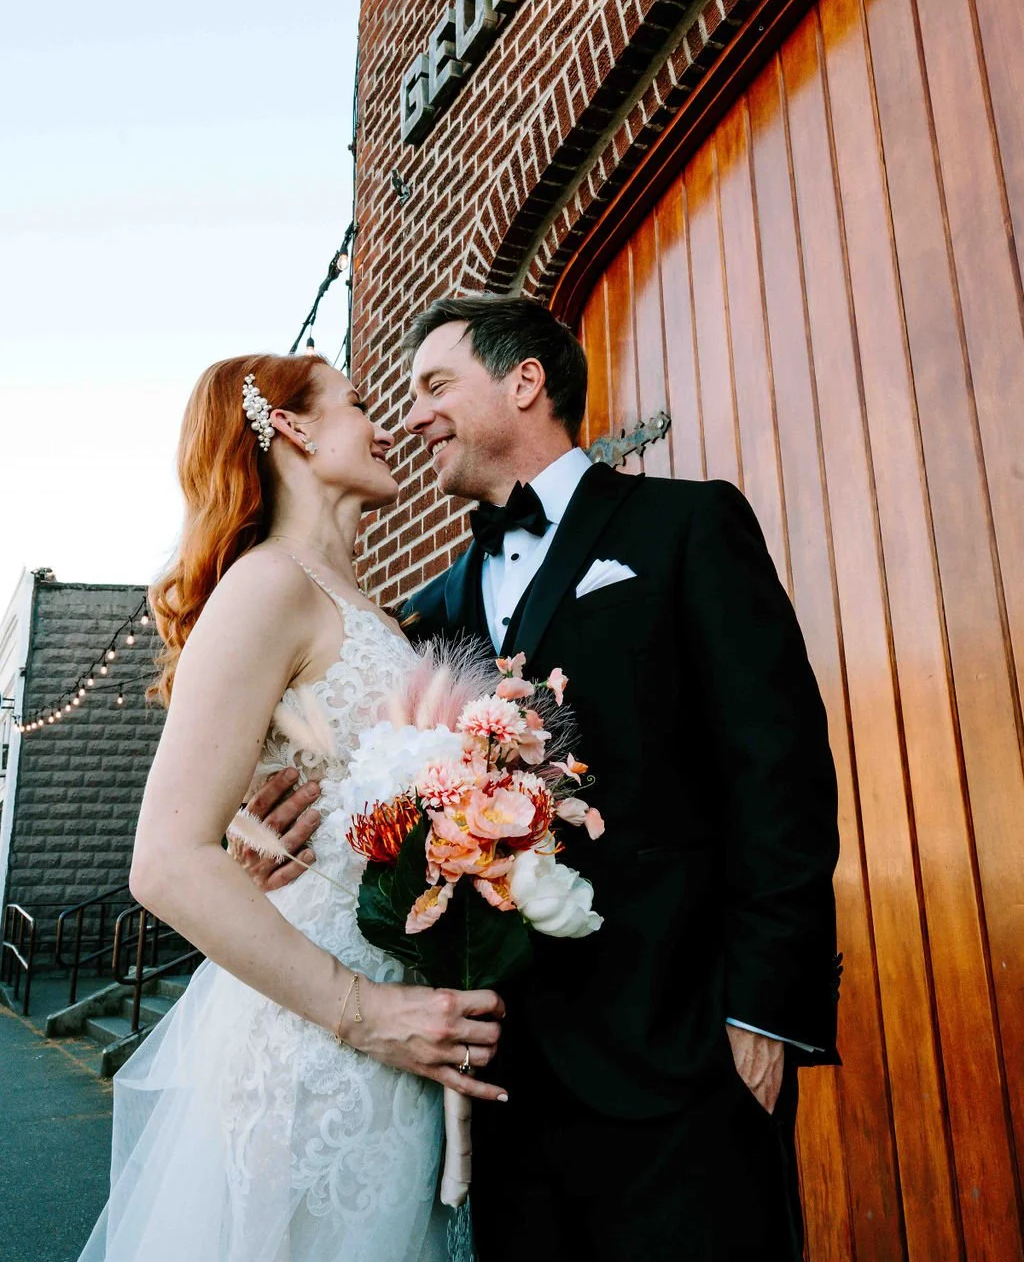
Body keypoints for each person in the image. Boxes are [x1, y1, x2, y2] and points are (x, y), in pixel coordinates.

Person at [253, 293, 841, 1260]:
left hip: (683, 1049)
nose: (412, 415)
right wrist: (266, 835)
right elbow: (341, 764)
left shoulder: (686, 526)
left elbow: (779, 770)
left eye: (436, 384)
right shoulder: (426, 615)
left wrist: (762, 1011)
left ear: (525, 381)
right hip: (505, 1079)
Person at [79, 352, 507, 1262]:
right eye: (359, 406)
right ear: (299, 430)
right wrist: (365, 1013)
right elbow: (163, 859)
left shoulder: (382, 621)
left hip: (405, 1040)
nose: (386, 424)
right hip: (318, 1041)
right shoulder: (269, 586)